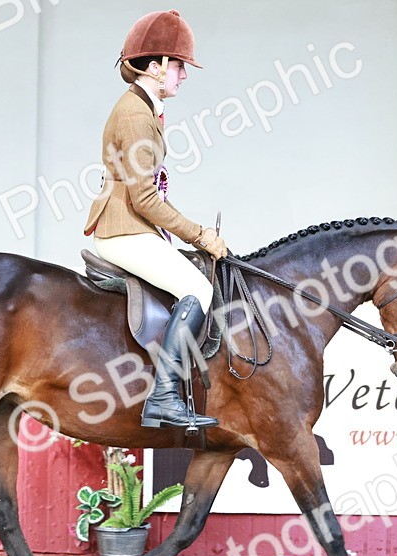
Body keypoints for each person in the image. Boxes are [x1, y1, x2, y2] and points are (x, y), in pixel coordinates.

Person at [84, 9, 228, 431]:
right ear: (155, 66)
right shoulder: (135, 114)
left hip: (134, 226)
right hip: (124, 228)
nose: (184, 75)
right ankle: (163, 398)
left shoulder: (146, 109)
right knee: (198, 290)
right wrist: (199, 234)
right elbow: (144, 197)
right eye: (180, 66)